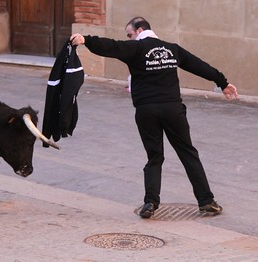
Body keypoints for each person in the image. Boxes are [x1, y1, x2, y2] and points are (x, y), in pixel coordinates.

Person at [70, 17, 238, 218]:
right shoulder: (172, 49)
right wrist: (223, 82)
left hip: (146, 111)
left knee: (154, 157)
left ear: (140, 30)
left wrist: (86, 40)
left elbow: (111, 47)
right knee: (188, 153)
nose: (130, 39)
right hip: (172, 110)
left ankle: (150, 203)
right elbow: (198, 65)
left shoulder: (136, 49)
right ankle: (207, 202)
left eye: (130, 34)